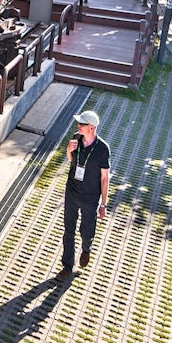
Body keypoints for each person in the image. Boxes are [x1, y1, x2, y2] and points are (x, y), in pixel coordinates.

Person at [56, 110, 110, 282]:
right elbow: (72, 162)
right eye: (78, 123)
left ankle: (86, 249)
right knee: (68, 229)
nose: (78, 126)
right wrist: (68, 150)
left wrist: (103, 204)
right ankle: (67, 266)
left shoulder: (103, 149)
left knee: (86, 231)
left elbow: (104, 178)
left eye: (82, 124)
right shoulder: (76, 139)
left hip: (90, 196)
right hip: (72, 190)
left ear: (92, 128)